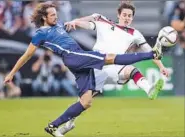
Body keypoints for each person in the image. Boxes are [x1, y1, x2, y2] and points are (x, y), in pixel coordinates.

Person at [3, 3, 162, 137]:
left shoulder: (58, 25)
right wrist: (11, 73)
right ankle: (151, 54)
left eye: (56, 14)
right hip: (74, 56)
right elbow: (27, 55)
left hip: (76, 60)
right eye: (52, 15)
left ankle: (53, 126)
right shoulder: (40, 34)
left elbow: (82, 22)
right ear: (44, 17)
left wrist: (75, 22)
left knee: (86, 102)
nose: (56, 17)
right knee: (111, 58)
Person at [58, 1, 168, 136]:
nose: (127, 18)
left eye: (130, 16)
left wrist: (161, 66)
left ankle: (149, 89)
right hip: (96, 65)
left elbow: (150, 52)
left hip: (115, 65)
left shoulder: (135, 34)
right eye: (125, 15)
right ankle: (69, 124)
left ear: (132, 18)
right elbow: (89, 24)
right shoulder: (104, 24)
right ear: (118, 15)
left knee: (131, 70)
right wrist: (76, 22)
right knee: (84, 101)